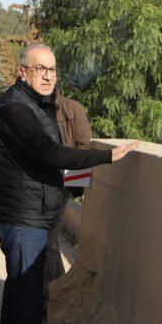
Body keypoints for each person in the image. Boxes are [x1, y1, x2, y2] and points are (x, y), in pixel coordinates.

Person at [0, 43, 141, 324]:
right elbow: (50, 152)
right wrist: (106, 156)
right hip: (21, 216)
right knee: (29, 301)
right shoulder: (14, 108)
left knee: (18, 293)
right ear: (22, 72)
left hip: (31, 211)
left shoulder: (36, 104)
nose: (48, 76)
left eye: (53, 69)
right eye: (40, 69)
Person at [43, 92, 92, 296]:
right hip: (34, 185)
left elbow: (84, 147)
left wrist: (74, 183)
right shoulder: (26, 106)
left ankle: (49, 295)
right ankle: (57, 291)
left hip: (59, 184)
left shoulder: (72, 109)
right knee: (48, 242)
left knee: (47, 241)